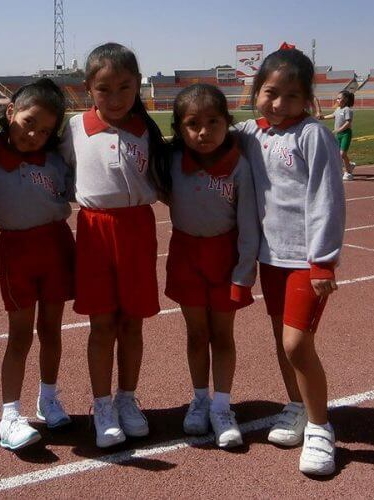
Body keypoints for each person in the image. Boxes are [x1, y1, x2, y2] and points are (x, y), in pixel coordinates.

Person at [235, 47, 345, 475]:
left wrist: (323, 261)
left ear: (308, 100)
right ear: (256, 91)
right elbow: (206, 132)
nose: (279, 105)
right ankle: (297, 406)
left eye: (292, 97)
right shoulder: (250, 132)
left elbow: (326, 199)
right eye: (270, 93)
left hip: (304, 260)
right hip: (270, 257)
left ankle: (320, 427)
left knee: (298, 344)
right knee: (283, 340)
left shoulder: (312, 135)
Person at [60, 42, 169, 448]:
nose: (116, 97)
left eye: (125, 87)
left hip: (137, 230)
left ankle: (127, 398)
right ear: (88, 87)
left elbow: (165, 182)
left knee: (132, 321)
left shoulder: (148, 131)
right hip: (94, 232)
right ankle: (102, 404)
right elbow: (59, 170)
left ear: (138, 84)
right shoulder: (74, 128)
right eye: (105, 89)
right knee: (102, 323)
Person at [0, 79, 75, 450]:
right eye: (29, 122)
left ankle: (48, 397)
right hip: (17, 250)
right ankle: (10, 414)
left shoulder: (55, 158)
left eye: (45, 129)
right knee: (19, 334)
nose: (35, 134)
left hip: (56, 244)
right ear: (10, 113)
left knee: (52, 329)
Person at [165, 84, 259, 448]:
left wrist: (243, 272)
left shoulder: (239, 166)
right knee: (195, 334)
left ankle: (222, 406)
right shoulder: (171, 162)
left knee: (222, 335)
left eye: (213, 122)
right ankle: (199, 398)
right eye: (192, 124)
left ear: (228, 123)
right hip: (185, 254)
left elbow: (249, 223)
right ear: (178, 128)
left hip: (226, 257)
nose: (203, 132)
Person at [319, 90, 355, 180]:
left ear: (345, 99)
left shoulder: (347, 110)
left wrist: (339, 130)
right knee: (338, 154)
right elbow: (333, 115)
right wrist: (323, 117)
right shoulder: (338, 109)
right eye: (337, 98)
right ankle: (349, 165)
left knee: (342, 154)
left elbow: (348, 123)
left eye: (339, 98)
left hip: (345, 134)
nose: (337, 100)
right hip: (338, 135)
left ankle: (348, 173)